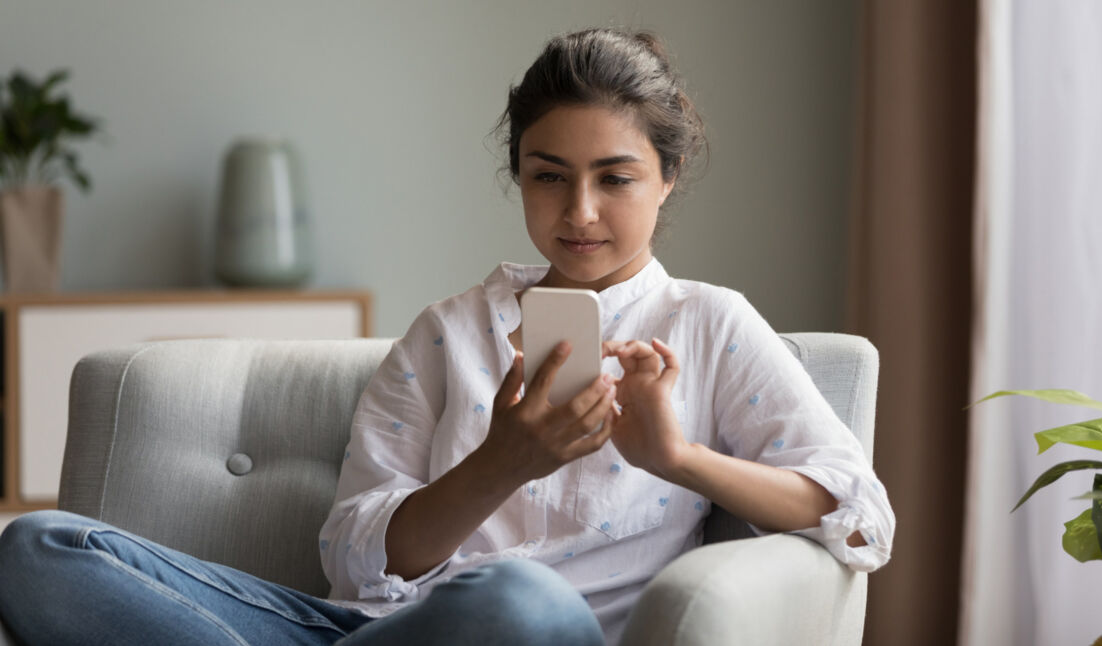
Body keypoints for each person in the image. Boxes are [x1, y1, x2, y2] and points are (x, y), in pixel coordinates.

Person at [0, 28, 893, 646]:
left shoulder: (709, 324)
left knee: (515, 600)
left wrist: (677, 457)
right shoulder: (446, 334)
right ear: (519, 178)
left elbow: (855, 514)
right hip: (372, 632)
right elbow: (353, 560)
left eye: (614, 179)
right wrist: (502, 463)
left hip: (529, 632)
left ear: (668, 178)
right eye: (549, 178)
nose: (579, 213)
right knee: (37, 550)